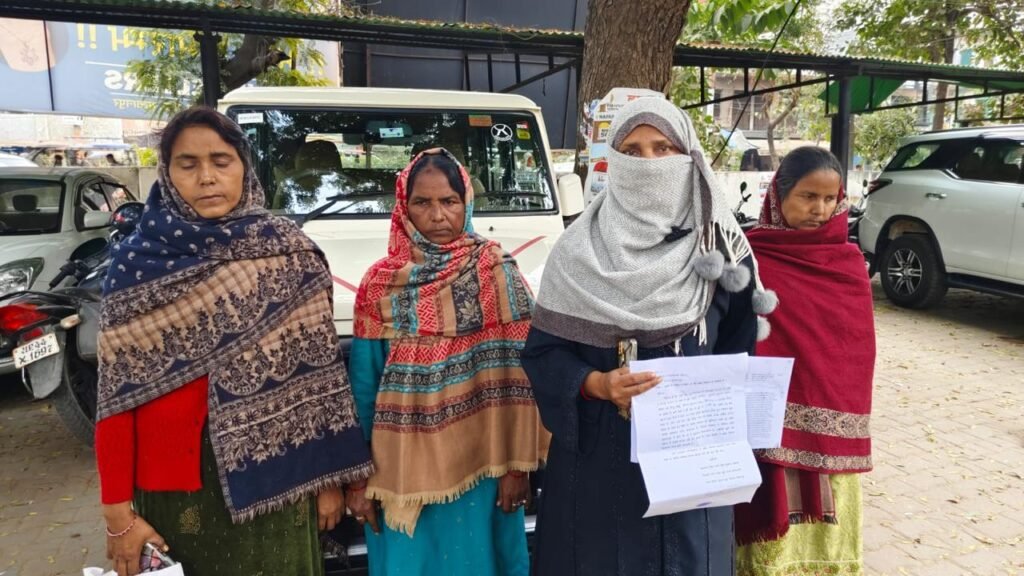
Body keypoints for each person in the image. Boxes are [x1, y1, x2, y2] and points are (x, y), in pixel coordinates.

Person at [94, 107, 374, 576]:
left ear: (244, 165)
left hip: (285, 481)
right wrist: (117, 514)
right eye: (188, 164)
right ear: (166, 172)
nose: (207, 177)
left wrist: (330, 481)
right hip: (176, 490)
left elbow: (319, 384)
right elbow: (115, 399)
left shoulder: (289, 253)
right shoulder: (135, 265)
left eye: (221, 161)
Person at [520, 96, 777, 576]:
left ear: (689, 154)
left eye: (663, 148)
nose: (649, 162)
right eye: (632, 151)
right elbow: (543, 354)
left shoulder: (721, 254)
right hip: (597, 475)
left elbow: (738, 352)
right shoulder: (575, 254)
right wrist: (595, 384)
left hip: (693, 473)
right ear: (613, 161)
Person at [347, 149, 549, 576]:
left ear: (466, 203)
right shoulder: (380, 285)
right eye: (422, 202)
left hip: (486, 466)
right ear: (404, 208)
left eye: (449, 201)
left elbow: (523, 382)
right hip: (400, 475)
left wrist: (517, 469)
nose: (438, 215)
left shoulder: (497, 271)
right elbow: (364, 387)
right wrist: (358, 479)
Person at [735, 146, 875, 575]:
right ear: (779, 197)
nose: (820, 209)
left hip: (831, 428)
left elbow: (856, 350)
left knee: (827, 546)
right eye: (808, 197)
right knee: (768, 551)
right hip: (766, 429)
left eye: (830, 199)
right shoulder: (751, 259)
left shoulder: (848, 263)